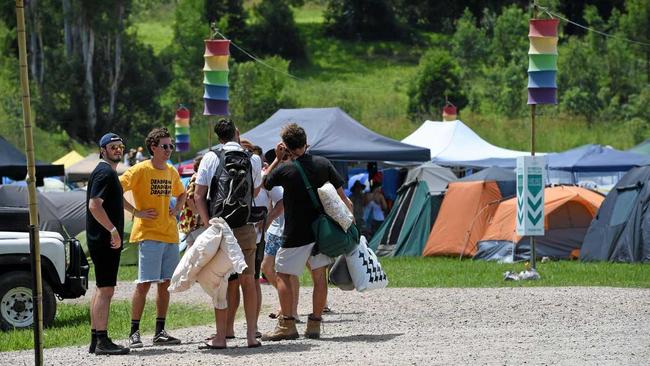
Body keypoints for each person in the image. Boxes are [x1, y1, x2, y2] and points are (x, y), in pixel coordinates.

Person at [261, 123, 352, 341]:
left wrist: (278, 157)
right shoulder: (323, 163)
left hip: (295, 232)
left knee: (282, 274)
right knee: (319, 277)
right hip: (322, 231)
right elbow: (342, 197)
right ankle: (315, 325)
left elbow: (265, 182)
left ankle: (287, 325)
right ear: (305, 141)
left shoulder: (286, 169)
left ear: (287, 146)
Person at [194, 119, 262, 349]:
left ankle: (221, 336)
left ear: (218, 137)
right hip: (244, 227)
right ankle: (252, 336)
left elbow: (199, 195)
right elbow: (255, 190)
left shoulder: (211, 158)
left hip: (220, 227)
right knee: (248, 280)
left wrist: (207, 223)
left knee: (222, 282)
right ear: (237, 133)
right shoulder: (252, 159)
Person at [120, 127, 187, 348]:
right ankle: (134, 332)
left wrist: (177, 208)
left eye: (171, 146)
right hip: (148, 234)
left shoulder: (171, 171)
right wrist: (135, 212)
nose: (169, 150)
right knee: (144, 284)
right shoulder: (140, 170)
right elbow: (115, 188)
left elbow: (183, 193)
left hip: (170, 234)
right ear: (153, 148)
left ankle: (160, 331)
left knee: (166, 284)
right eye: (165, 146)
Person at [86, 133, 130, 356]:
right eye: (113, 147)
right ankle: (102, 341)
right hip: (104, 240)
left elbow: (114, 200)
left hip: (100, 240)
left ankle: (96, 339)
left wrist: (136, 211)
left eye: (120, 147)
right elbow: (95, 206)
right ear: (102, 150)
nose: (118, 150)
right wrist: (113, 230)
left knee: (101, 288)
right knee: (106, 290)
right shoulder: (104, 172)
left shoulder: (107, 172)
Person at [260, 149, 300, 321]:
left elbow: (281, 203)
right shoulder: (275, 176)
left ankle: (291, 310)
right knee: (267, 268)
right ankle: (286, 303)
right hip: (277, 229)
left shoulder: (289, 173)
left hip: (289, 227)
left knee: (289, 272)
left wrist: (267, 220)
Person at [178, 155, 204, 247]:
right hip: (194, 220)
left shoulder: (193, 177)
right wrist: (197, 215)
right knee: (200, 247)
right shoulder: (197, 178)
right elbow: (189, 198)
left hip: (188, 219)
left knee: (191, 247)